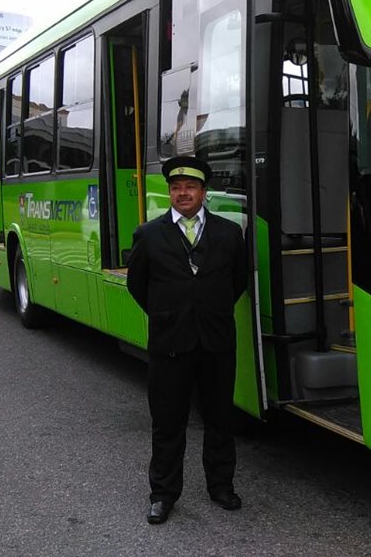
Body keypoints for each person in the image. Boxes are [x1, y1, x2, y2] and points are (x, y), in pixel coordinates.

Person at [126, 156, 248, 525]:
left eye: (190, 187)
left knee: (220, 419)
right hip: (170, 345)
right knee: (167, 423)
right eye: (176, 188)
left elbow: (237, 281)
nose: (183, 193)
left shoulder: (229, 234)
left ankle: (221, 486)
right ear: (170, 193)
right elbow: (137, 285)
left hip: (216, 342)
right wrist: (168, 314)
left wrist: (208, 309)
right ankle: (163, 494)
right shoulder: (148, 235)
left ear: (203, 192)